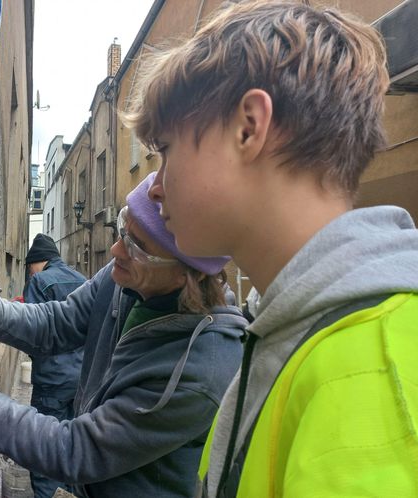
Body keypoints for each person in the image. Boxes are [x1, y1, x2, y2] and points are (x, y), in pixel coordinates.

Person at [124, 1, 418, 496]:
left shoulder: (372, 373)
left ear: (249, 127)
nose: (155, 187)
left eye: (166, 150)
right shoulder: (287, 332)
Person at [0, 172, 248, 497]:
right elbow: (57, 322)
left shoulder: (200, 370)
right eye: (122, 230)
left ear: (186, 275)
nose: (115, 251)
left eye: (136, 246)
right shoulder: (125, 278)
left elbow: (77, 450)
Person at [23, 233, 86, 498]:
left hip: (53, 380)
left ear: (38, 262)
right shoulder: (83, 281)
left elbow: (33, 332)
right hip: (83, 379)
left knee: (45, 447)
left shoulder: (39, 281)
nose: (29, 271)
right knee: (75, 446)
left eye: (29, 266)